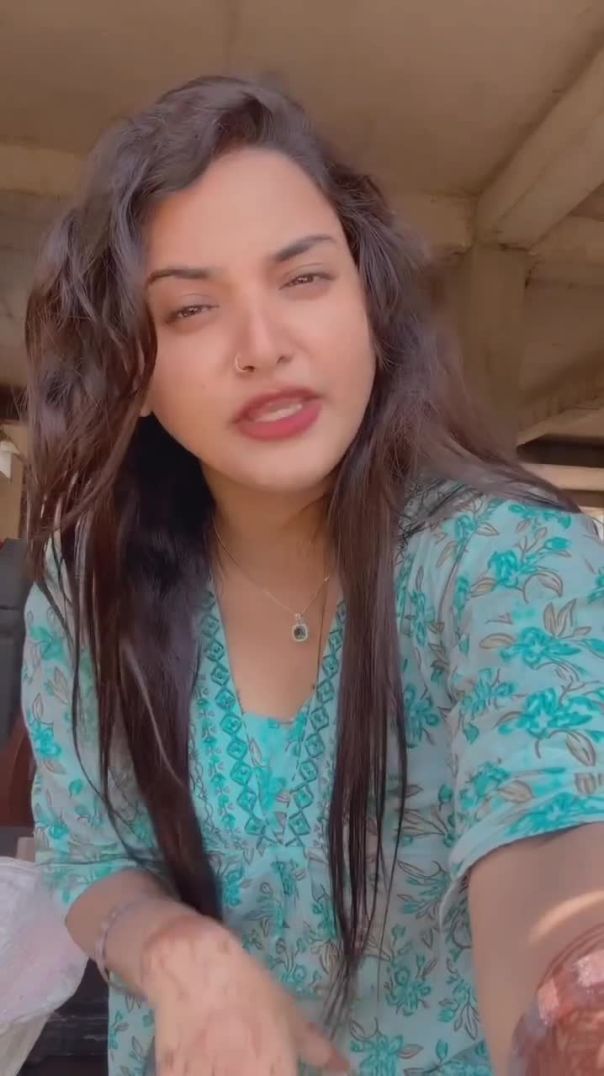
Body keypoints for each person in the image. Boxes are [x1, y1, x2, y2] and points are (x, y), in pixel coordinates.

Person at [21, 74, 604, 1076]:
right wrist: (177, 950)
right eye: (192, 308)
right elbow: (88, 857)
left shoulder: (505, 563)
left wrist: (570, 1009)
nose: (264, 347)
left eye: (303, 279)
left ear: (369, 305)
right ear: (135, 373)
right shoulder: (87, 592)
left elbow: (554, 855)